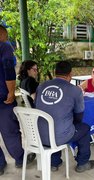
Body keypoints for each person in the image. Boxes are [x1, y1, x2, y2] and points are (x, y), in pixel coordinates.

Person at [35, 61, 94, 172]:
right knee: (84, 128)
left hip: (38, 135)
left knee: (57, 124)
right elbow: (79, 116)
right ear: (70, 74)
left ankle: (54, 163)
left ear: (55, 72)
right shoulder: (75, 90)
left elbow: (38, 107)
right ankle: (83, 163)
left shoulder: (41, 86)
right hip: (59, 136)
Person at [0, 25, 35, 176]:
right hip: (2, 98)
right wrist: (10, 92)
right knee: (10, 131)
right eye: (6, 36)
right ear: (2, 34)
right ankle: (20, 158)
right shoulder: (4, 46)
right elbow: (8, 70)